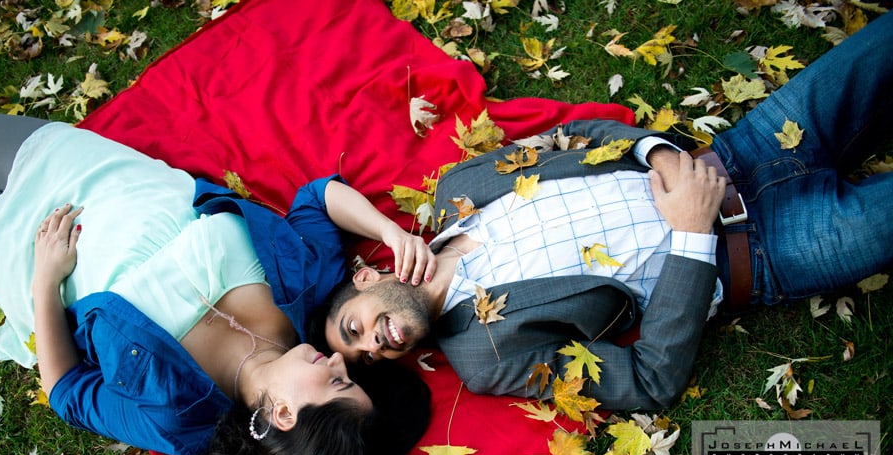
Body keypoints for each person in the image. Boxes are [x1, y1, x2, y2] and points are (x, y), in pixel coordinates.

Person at [315, 12, 893, 412]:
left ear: (366, 277)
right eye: (367, 359)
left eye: (353, 328)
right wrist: (693, 235)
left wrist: (661, 154)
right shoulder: (483, 357)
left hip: (749, 146)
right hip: (770, 250)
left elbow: (573, 137)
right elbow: (650, 380)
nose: (371, 346)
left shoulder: (455, 192)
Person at [0, 114, 432, 455]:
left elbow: (66, 392)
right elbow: (315, 200)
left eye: (337, 382)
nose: (340, 361)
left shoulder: (182, 416)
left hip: (31, 256)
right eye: (350, 375)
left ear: (285, 414)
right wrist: (390, 233)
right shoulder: (309, 295)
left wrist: (43, 282)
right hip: (99, 176)